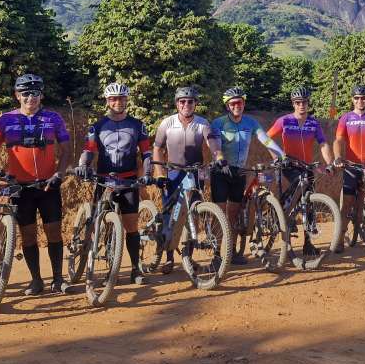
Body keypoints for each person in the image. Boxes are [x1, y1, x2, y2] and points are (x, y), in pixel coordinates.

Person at [0, 74, 72, 296]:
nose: (30, 97)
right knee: (28, 234)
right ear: (17, 95)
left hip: (47, 185)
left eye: (35, 93)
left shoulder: (54, 118)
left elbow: (66, 151)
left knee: (53, 231)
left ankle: (58, 278)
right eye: (25, 93)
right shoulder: (5, 120)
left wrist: (59, 174)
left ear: (41, 95)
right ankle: (36, 281)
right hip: (20, 187)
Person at [75, 83, 153, 285]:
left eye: (121, 98)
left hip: (128, 181)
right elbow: (89, 150)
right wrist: (83, 164)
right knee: (99, 223)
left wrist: (148, 173)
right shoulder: (98, 126)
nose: (118, 102)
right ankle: (104, 264)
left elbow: (146, 153)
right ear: (107, 101)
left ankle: (136, 269)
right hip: (104, 180)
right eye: (113, 99)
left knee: (131, 227)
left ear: (127, 100)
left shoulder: (138, 125)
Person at [152, 86, 225, 272]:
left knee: (193, 214)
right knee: (170, 216)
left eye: (190, 101)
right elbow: (158, 149)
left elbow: (212, 142)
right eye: (182, 101)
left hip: (195, 173)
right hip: (173, 173)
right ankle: (168, 258)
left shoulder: (202, 123)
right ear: (177, 104)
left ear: (195, 104)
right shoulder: (167, 123)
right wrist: (160, 172)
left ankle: (188, 257)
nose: (186, 104)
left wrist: (218, 157)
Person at [212, 87, 284, 265]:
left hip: (240, 172)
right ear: (228, 106)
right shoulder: (218, 123)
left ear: (244, 104)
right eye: (233, 103)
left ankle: (233, 251)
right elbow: (216, 146)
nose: (237, 106)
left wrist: (280, 155)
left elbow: (265, 139)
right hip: (221, 172)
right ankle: (216, 255)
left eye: (240, 102)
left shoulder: (251, 123)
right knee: (219, 213)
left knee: (234, 214)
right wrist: (220, 159)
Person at [266, 86, 334, 256]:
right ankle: (283, 209)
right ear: (293, 104)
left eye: (304, 102)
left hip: (307, 165)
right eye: (298, 102)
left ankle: (308, 244)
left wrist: (329, 163)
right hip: (289, 164)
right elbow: (266, 138)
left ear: (308, 103)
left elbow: (323, 144)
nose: (301, 105)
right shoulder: (284, 121)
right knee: (300, 181)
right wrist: (277, 157)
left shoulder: (313, 123)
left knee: (308, 204)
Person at [332, 85, 365, 253]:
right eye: (357, 98)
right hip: (351, 166)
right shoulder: (345, 118)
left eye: (363, 98)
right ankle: (340, 237)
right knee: (346, 204)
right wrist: (338, 157)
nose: (360, 101)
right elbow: (338, 140)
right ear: (352, 100)